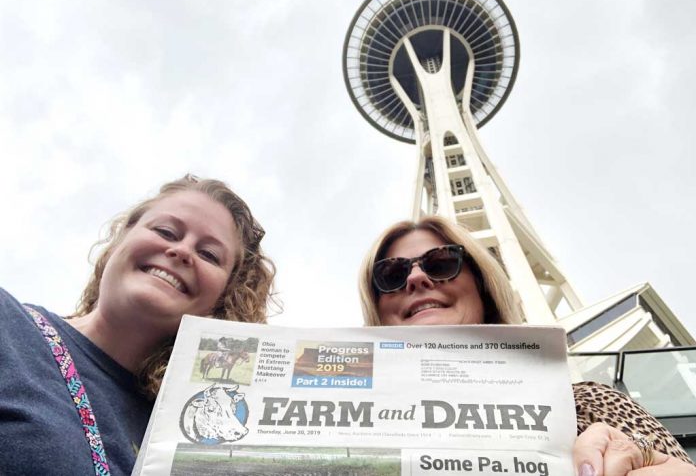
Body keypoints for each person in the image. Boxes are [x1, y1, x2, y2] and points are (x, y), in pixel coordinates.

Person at [358, 216, 695, 476]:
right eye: (391, 274)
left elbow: (655, 451)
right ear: (378, 310)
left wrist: (645, 453)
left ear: (483, 288)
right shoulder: (356, 427)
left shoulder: (589, 405)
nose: (416, 279)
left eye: (441, 263)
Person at [0, 175, 276, 476]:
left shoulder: (199, 432)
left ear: (225, 295)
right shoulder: (9, 326)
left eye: (208, 254)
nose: (182, 251)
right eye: (166, 231)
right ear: (123, 238)